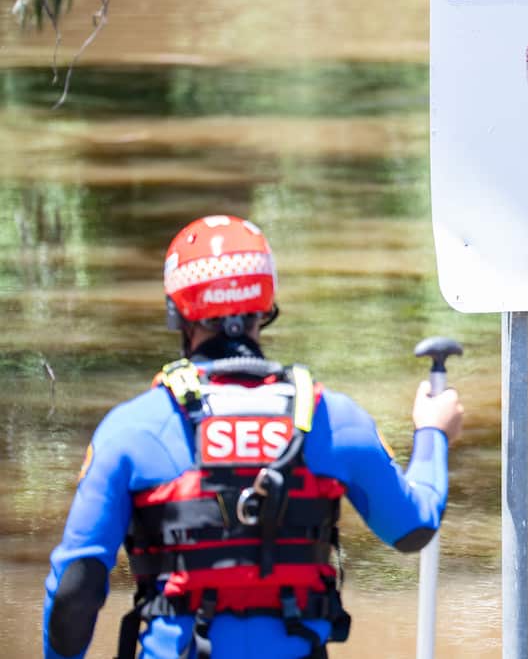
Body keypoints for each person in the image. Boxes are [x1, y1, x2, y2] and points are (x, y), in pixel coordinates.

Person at [42, 214, 464, 659]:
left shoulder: (133, 429)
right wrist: (432, 432)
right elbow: (413, 527)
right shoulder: (332, 418)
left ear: (178, 311)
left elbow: (76, 589)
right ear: (265, 306)